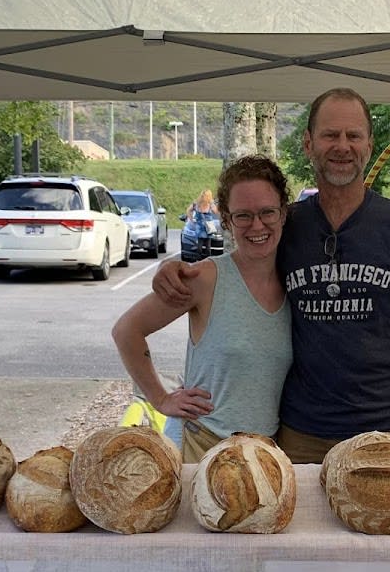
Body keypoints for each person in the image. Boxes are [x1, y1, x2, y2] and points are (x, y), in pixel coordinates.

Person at [153, 88, 390, 465]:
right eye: (330, 135)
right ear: (308, 144)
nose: (342, 146)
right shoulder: (286, 223)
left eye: (353, 136)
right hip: (303, 433)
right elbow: (237, 265)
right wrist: (169, 268)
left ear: (369, 145)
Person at [112, 156, 292, 462]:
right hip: (201, 445)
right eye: (243, 216)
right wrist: (161, 398)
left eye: (267, 212)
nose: (257, 225)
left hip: (262, 452)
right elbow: (127, 331)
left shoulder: (295, 280)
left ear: (283, 213)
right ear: (227, 221)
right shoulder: (206, 278)